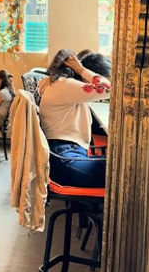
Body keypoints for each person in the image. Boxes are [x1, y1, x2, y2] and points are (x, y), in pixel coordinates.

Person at [37, 49, 111, 188]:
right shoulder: (65, 85)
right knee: (126, 170)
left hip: (63, 156)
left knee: (120, 164)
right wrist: (81, 69)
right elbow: (108, 88)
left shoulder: (57, 84)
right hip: (65, 159)